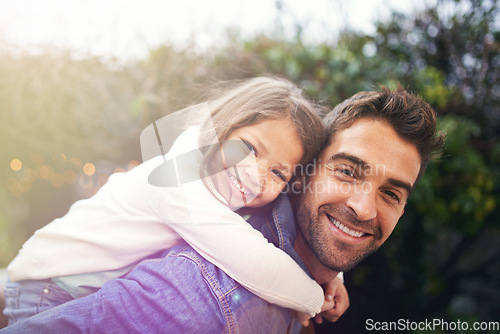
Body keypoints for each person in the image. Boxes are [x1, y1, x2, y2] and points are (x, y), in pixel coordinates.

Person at [0, 84, 443, 333]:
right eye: (348, 170)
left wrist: (333, 278)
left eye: (392, 193)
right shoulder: (179, 186)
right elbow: (249, 259)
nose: (365, 208)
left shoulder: (233, 195)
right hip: (43, 287)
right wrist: (311, 297)